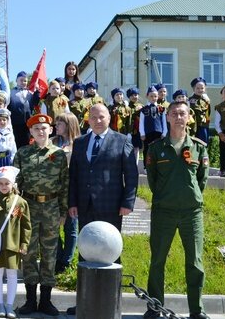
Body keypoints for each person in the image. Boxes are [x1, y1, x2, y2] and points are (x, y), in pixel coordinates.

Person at [66, 103, 138, 316]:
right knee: (85, 254)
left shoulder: (122, 140)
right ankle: (84, 302)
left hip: (111, 207)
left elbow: (131, 175)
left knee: (111, 255)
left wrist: (128, 202)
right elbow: (74, 176)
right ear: (87, 119)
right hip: (85, 207)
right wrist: (72, 203)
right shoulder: (79, 143)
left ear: (109, 118)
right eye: (94, 117)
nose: (98, 120)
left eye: (102, 116)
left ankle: (112, 304)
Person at [144, 101, 211, 319]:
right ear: (168, 117)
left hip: (192, 213)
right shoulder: (155, 148)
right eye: (174, 113)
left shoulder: (199, 147)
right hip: (164, 212)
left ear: (189, 117)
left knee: (195, 263)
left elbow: (202, 180)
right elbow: (152, 180)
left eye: (183, 113)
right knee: (157, 261)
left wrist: (189, 197)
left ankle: (197, 310)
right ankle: (155, 308)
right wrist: (166, 197)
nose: (179, 117)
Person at [13, 114, 68, 316]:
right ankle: (29, 300)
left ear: (51, 130)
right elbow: (14, 185)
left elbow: (64, 184)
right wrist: (16, 212)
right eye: (36, 128)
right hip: (28, 208)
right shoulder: (22, 153)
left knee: (49, 254)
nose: (41, 131)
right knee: (27, 253)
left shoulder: (59, 155)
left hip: (52, 208)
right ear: (31, 132)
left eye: (44, 128)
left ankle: (46, 300)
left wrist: (63, 211)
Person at [0, 166, 31, 319]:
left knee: (11, 275)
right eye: (1, 183)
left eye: (7, 183)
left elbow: (26, 225)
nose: (3, 186)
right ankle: (0, 305)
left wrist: (24, 244)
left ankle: (9, 305)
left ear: (13, 184)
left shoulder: (21, 203)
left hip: (13, 245)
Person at [51, 113, 81, 274]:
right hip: (53, 191)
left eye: (60, 123)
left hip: (71, 191)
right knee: (53, 226)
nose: (56, 126)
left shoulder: (78, 144)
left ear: (69, 125)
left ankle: (66, 261)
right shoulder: (53, 142)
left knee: (70, 227)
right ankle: (57, 257)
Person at [140, 85, 168, 161]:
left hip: (159, 133)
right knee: (147, 149)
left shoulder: (161, 108)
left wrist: (164, 133)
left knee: (159, 149)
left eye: (155, 96)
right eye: (151, 96)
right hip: (148, 133)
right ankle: (147, 166)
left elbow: (164, 121)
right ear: (147, 96)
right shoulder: (144, 109)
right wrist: (142, 133)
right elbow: (141, 122)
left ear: (158, 96)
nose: (153, 98)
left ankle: (160, 164)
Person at [8, 71, 32, 149]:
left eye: (25, 81)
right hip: (15, 123)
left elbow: (34, 103)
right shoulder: (11, 93)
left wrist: (37, 93)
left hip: (27, 124)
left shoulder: (30, 93)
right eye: (21, 80)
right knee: (16, 143)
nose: (23, 82)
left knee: (26, 144)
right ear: (16, 80)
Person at [189, 77, 211, 144]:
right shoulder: (189, 100)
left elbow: (208, 114)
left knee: (203, 145)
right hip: (192, 127)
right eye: (197, 88)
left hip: (203, 126)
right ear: (193, 89)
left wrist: (207, 124)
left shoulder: (206, 100)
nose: (200, 90)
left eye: (202, 88)